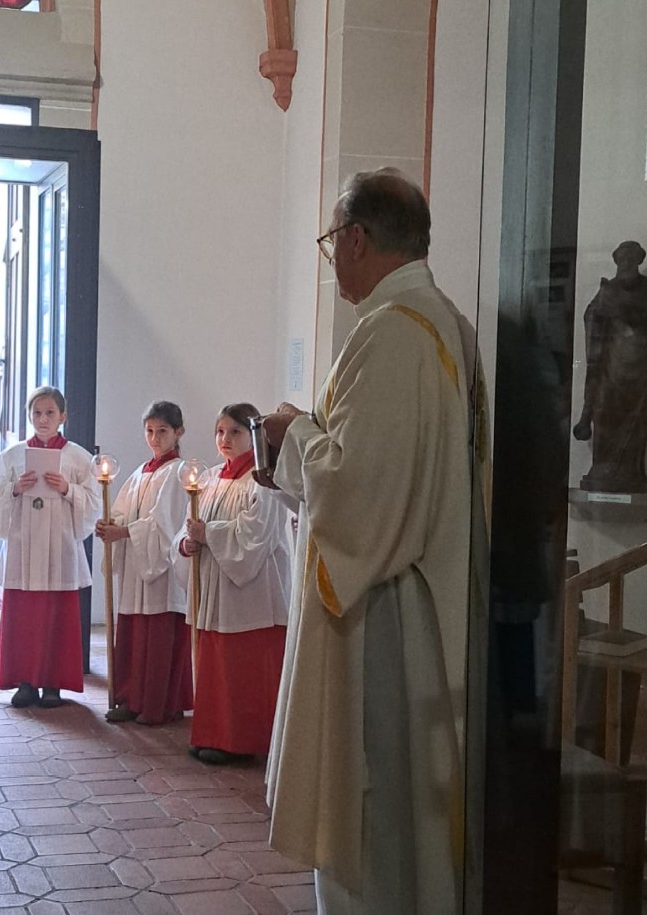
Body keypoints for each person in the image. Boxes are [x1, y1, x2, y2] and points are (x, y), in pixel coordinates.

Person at [264, 168, 476, 915]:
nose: (331, 259)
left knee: (374, 802)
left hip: (379, 614)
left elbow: (360, 491)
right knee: (402, 811)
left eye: (331, 241)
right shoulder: (437, 318)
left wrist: (291, 437)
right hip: (410, 598)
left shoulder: (392, 332)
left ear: (356, 238)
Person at [173, 402, 290, 765]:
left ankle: (240, 741)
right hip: (215, 588)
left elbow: (256, 536)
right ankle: (212, 733)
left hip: (250, 595)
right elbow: (189, 524)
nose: (225, 439)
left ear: (253, 436)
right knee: (214, 665)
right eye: (220, 432)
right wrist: (187, 542)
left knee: (242, 670)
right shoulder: (209, 478)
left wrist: (209, 534)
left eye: (235, 432)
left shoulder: (264, 479)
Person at [0, 386, 100, 709]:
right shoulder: (14, 454)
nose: (43, 419)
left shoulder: (77, 456)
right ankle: (24, 682)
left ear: (63, 416)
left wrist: (68, 489)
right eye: (36, 413)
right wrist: (14, 489)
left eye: (50, 413)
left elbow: (94, 502)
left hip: (59, 546)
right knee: (24, 617)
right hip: (23, 543)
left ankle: (53, 684)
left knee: (55, 617)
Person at [95, 400, 193, 725]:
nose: (154, 438)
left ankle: (157, 703)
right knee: (134, 636)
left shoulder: (179, 471)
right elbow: (124, 509)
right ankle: (130, 698)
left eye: (162, 431)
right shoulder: (140, 472)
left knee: (157, 636)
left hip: (160, 571)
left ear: (178, 432)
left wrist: (123, 531)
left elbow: (164, 524)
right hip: (137, 566)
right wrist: (110, 523)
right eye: (149, 431)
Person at [573, 239, 647, 491]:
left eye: (631, 257)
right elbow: (590, 314)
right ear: (616, 260)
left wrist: (625, 311)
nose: (626, 262)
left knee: (637, 424)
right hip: (610, 365)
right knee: (603, 411)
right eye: (622, 258)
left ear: (639, 260)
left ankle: (630, 473)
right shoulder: (607, 290)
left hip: (639, 370)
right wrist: (600, 312)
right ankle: (602, 467)